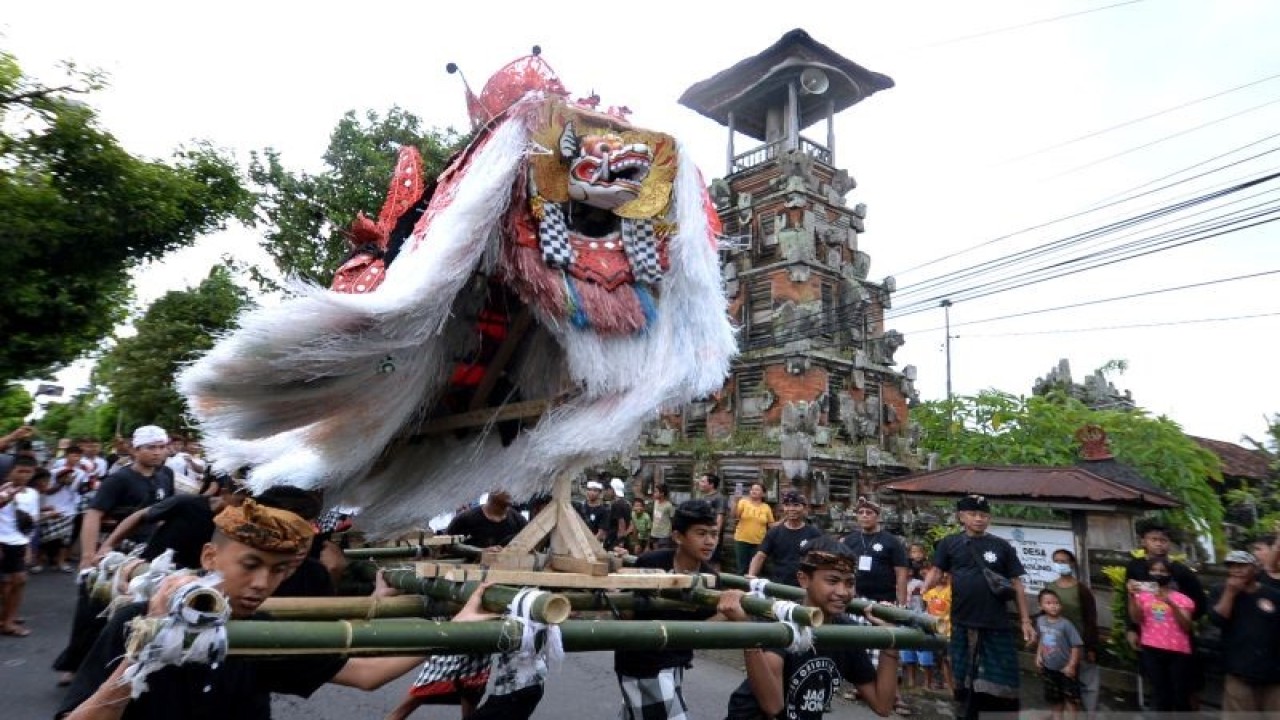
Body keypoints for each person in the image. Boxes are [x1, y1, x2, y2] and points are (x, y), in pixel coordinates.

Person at [57, 498, 439, 719]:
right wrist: (143, 657)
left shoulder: (263, 631)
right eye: (250, 565)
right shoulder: (137, 621)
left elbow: (365, 675)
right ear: (210, 556)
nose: (262, 584)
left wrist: (450, 629)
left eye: (278, 571)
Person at [722, 537, 902, 718]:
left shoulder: (846, 632)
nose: (842, 592)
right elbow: (773, 705)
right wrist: (748, 635)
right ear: (804, 579)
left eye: (850, 583)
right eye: (832, 581)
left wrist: (891, 641)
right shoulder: (783, 622)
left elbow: (882, 705)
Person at [615, 499, 743, 720]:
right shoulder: (650, 562)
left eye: (714, 534)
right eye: (701, 534)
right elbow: (626, 611)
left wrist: (731, 610)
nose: (710, 541)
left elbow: (703, 628)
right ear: (678, 537)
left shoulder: (711, 578)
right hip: (641, 664)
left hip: (674, 664)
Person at [924, 494, 1034, 719]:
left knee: (1002, 678)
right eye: (973, 514)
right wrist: (918, 598)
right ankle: (964, 714)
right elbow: (936, 572)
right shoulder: (950, 543)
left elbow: (1016, 584)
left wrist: (1025, 621)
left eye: (984, 515)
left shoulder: (1001, 546)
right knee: (962, 676)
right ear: (961, 517)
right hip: (961, 620)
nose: (979, 519)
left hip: (995, 623)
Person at [1209, 549, 1280, 713]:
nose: (1236, 570)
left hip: (1273, 673)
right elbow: (1217, 620)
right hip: (1239, 672)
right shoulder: (1219, 591)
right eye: (1232, 566)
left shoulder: (1273, 595)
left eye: (1242, 566)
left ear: (1255, 569)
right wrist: (1230, 593)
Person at [1127, 557, 1196, 712]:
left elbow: (1186, 626)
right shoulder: (1143, 596)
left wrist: (1171, 603)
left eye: (1162, 571)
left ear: (1170, 574)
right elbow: (1136, 619)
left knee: (1180, 696)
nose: (1158, 573)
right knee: (1160, 695)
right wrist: (1131, 597)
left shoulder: (1182, 599)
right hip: (1151, 649)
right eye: (1154, 570)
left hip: (1177, 652)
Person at [1047, 548, 1100, 715]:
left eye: (1063, 561)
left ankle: (1089, 714)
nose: (1060, 564)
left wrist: (1091, 647)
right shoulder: (1050, 587)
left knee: (1086, 682)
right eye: (1056, 561)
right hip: (1057, 645)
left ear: (1072, 564)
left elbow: (1090, 619)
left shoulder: (1082, 589)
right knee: (1062, 684)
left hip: (1079, 644)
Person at [745, 490, 822, 587]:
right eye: (787, 505)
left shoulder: (813, 533)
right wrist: (751, 575)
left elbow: (821, 559)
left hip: (804, 586)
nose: (791, 509)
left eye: (796, 505)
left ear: (804, 508)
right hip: (779, 585)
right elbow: (760, 556)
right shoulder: (774, 532)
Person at [841, 496, 908, 606]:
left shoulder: (892, 541)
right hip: (854, 598)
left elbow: (901, 573)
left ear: (877, 516)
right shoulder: (849, 540)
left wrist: (902, 604)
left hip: (884, 600)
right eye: (861, 512)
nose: (864, 516)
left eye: (869, 513)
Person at [0, 455, 40, 636]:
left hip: (19, 542)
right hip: (2, 541)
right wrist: (8, 498)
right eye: (20, 471)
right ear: (11, 471)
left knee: (19, 580)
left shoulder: (32, 494)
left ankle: (9, 618)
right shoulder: (3, 489)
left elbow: (33, 521)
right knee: (5, 583)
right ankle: (5, 620)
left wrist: (29, 547)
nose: (24, 475)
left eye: (28, 472)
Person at [1033, 589, 1083, 719]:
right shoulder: (1040, 621)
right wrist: (1038, 655)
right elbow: (1041, 639)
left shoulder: (1066, 624)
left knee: (1071, 699)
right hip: (1049, 669)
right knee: (1054, 699)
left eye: (1056, 603)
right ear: (1041, 606)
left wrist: (1071, 666)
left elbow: (1076, 646)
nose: (1053, 605)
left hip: (1066, 670)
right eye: (1048, 603)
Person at [446, 489, 527, 550]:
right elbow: (446, 544)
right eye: (501, 506)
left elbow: (529, 538)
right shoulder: (466, 518)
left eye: (507, 505)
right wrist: (481, 552)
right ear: (490, 501)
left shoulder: (517, 519)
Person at [731, 481, 774, 575]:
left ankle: (753, 588)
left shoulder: (766, 507)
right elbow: (734, 516)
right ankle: (742, 588)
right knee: (742, 568)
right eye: (752, 489)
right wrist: (735, 501)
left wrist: (785, 519)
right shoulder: (743, 502)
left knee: (755, 570)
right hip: (742, 540)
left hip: (759, 542)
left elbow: (771, 525)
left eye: (757, 489)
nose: (753, 491)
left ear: (763, 494)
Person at [922, 570, 955, 692]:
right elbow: (926, 609)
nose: (944, 576)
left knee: (948, 658)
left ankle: (951, 684)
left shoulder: (951, 590)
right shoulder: (929, 592)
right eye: (941, 573)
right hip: (935, 630)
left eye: (946, 573)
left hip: (949, 630)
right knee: (937, 658)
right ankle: (938, 681)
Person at [695, 472, 726, 566]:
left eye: (703, 481)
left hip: (712, 534)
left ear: (711, 484)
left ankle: (716, 580)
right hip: (702, 533)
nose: (700, 483)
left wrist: (715, 535)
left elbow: (720, 517)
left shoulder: (719, 498)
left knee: (714, 561)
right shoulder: (703, 497)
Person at [575, 480, 611, 544]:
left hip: (594, 543)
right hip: (579, 541)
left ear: (600, 493)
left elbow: (601, 532)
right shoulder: (580, 506)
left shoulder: (604, 510)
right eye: (589, 490)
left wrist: (591, 543)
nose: (591, 492)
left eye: (595, 490)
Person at [606, 477, 633, 551]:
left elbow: (621, 524)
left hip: (616, 540)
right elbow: (631, 524)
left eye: (609, 489)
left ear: (613, 490)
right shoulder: (627, 503)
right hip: (625, 539)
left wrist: (620, 541)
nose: (607, 491)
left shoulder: (617, 505)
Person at [650, 483, 674, 550]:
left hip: (664, 535)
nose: (654, 493)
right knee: (655, 554)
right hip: (654, 533)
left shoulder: (668, 505)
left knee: (663, 554)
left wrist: (672, 533)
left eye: (656, 491)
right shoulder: (655, 502)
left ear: (662, 493)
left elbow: (672, 520)